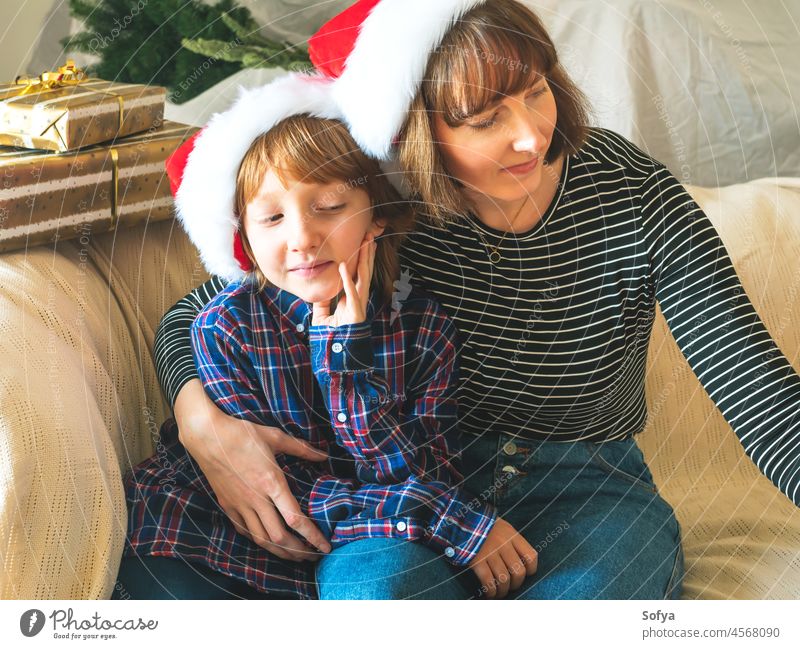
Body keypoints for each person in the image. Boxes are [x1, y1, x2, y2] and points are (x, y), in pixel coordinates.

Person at [152, 0, 800, 599]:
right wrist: (201, 422)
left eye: (537, 91)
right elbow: (202, 310)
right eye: (485, 119)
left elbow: (756, 387)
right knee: (374, 599)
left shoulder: (631, 193)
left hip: (589, 487)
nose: (529, 137)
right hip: (418, 487)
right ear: (420, 132)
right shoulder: (388, 205)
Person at [117, 72, 537, 600]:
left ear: (377, 218)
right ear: (243, 236)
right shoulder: (227, 328)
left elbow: (424, 473)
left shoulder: (423, 328)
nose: (302, 238)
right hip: (201, 540)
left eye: (330, 207)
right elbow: (281, 494)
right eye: (271, 217)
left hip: (342, 553)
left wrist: (344, 361)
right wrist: (458, 526)